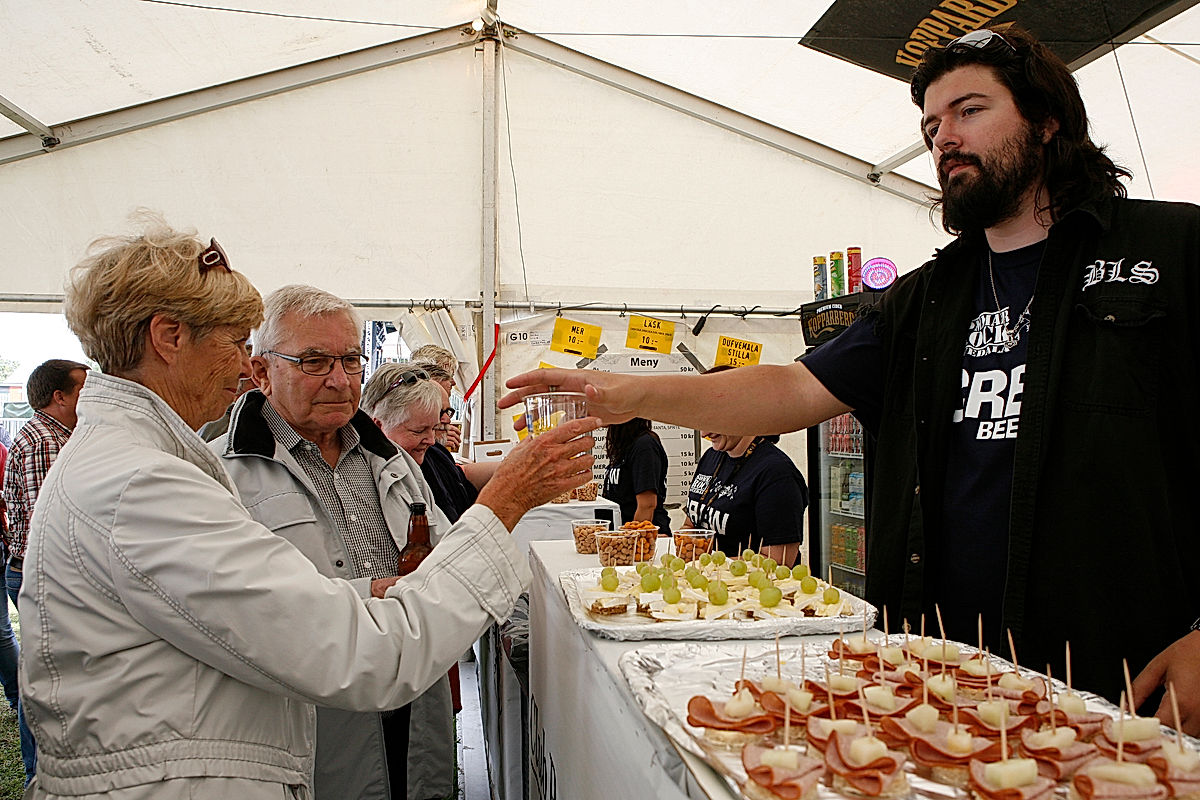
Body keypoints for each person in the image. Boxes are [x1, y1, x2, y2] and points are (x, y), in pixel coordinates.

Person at [501, 25, 1200, 734]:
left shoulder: (1174, 252)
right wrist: (623, 392)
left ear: (1048, 119)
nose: (944, 139)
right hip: (941, 681)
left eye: (969, 110)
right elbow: (791, 390)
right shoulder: (923, 299)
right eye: (930, 125)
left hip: (1128, 683)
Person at [22, 217, 597, 800]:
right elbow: (356, 652)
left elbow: (271, 603)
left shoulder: (144, 463)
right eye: (234, 342)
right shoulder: (144, 483)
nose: (242, 367)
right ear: (169, 336)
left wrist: (368, 592)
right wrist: (502, 505)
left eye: (351, 361)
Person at [214, 285, 539, 800]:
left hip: (415, 708)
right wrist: (381, 594)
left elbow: (448, 553)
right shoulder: (221, 472)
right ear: (260, 371)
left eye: (349, 359)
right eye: (314, 361)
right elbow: (246, 617)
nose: (339, 379)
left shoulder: (394, 462)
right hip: (316, 730)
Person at [359, 363, 473, 800]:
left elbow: (445, 542)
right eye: (418, 429)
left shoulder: (412, 468)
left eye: (435, 425)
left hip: (413, 652)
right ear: (378, 423)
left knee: (415, 762)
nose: (432, 437)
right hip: (371, 653)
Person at [3, 357, 89, 784]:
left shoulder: (53, 435)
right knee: (45, 681)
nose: (90, 400)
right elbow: (49, 521)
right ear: (60, 397)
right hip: (44, 571)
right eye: (83, 391)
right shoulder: (44, 440)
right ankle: (40, 772)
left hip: (38, 570)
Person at [684, 367, 807, 564]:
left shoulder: (776, 474)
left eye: (711, 419)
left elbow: (779, 561)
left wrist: (708, 566)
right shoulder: (712, 456)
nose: (704, 432)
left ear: (743, 409)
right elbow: (692, 523)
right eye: (699, 419)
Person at [600, 418, 671, 537]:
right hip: (620, 534)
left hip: (641, 540)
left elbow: (647, 505)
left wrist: (632, 541)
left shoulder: (644, 445)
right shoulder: (625, 443)